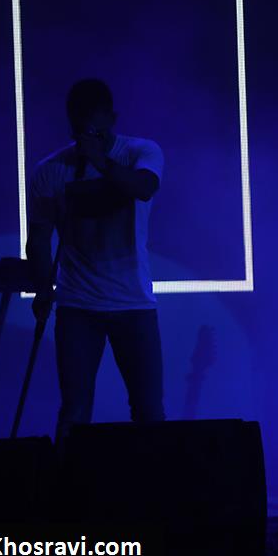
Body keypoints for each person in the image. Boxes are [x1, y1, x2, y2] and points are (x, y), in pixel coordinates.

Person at [26, 78, 165, 442]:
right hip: (78, 307)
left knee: (149, 410)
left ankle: (157, 477)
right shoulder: (50, 170)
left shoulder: (140, 152)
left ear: (111, 118)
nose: (86, 132)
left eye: (94, 123)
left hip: (133, 304)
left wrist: (100, 161)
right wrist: (43, 289)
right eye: (79, 124)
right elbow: (38, 239)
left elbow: (145, 188)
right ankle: (68, 477)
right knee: (74, 410)